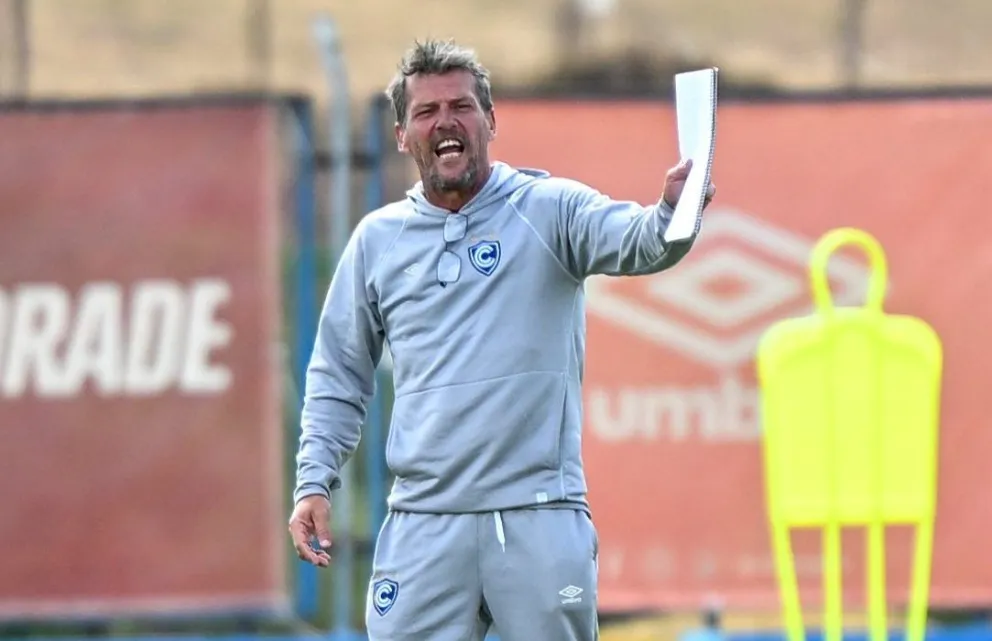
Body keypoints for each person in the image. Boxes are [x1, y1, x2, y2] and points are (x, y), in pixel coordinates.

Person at [288, 38, 716, 641]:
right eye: (426, 112)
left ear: (490, 120)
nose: (445, 122)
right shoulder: (376, 241)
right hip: (424, 524)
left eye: (461, 107)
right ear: (401, 135)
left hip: (538, 515)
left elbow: (641, 239)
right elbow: (338, 374)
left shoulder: (548, 210)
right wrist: (314, 479)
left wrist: (673, 210)